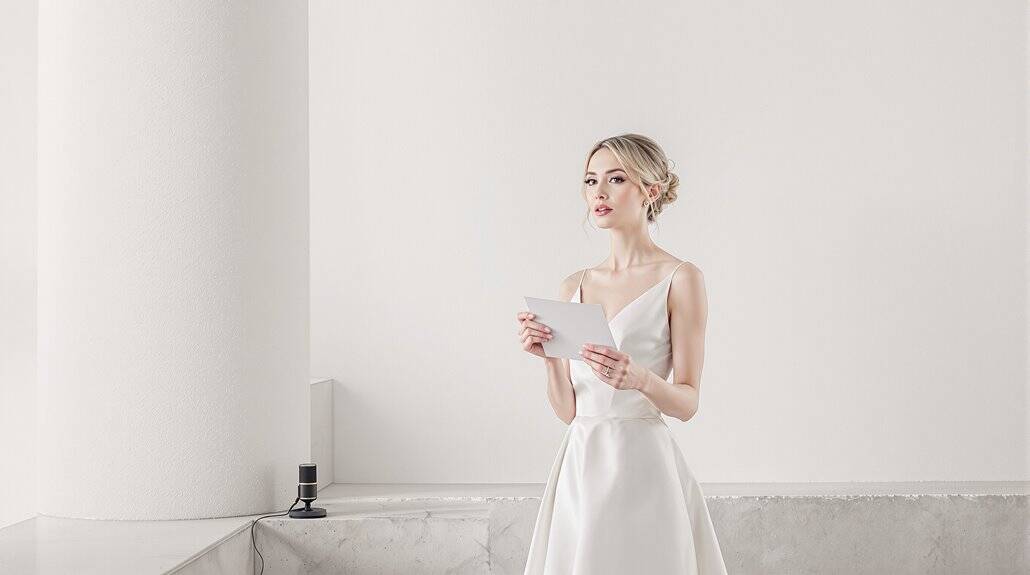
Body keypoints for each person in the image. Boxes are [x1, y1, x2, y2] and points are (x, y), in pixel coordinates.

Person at [517, 134, 729, 574]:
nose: (599, 192)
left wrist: (641, 380)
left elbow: (688, 402)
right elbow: (569, 412)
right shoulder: (574, 285)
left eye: (615, 179)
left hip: (643, 465)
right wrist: (550, 359)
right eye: (590, 180)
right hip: (580, 465)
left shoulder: (681, 278)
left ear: (651, 190)